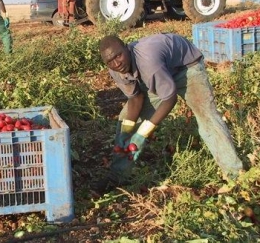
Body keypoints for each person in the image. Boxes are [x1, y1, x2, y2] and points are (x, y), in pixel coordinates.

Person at [96, 33, 243, 192]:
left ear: (127, 47)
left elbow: (169, 98)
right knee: (126, 120)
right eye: (110, 61)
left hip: (186, 68)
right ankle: (118, 176)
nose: (117, 63)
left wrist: (142, 134)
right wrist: (127, 132)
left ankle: (235, 175)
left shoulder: (148, 61)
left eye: (118, 55)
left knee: (207, 119)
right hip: (161, 72)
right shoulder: (117, 70)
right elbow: (136, 98)